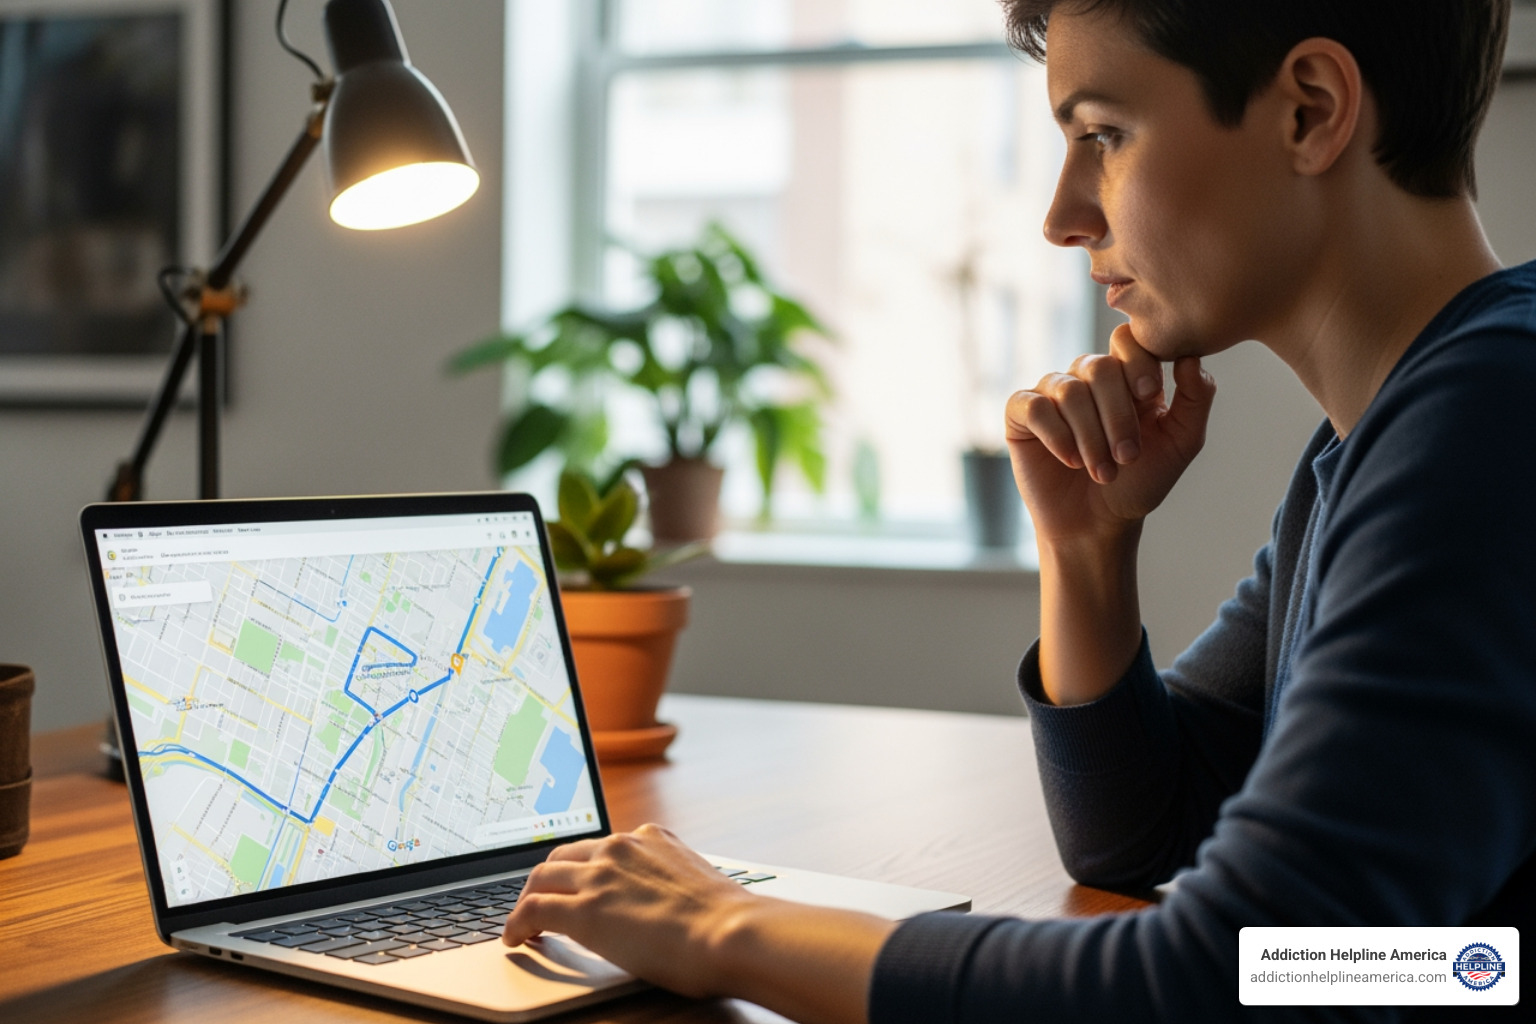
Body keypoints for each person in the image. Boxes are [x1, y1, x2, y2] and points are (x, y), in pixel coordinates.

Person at [499, 1, 1536, 1020]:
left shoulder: (1489, 421)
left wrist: (724, 929)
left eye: (1103, 135)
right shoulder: (1380, 440)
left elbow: (1214, 981)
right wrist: (1085, 548)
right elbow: (1146, 833)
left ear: (1310, 110)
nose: (1063, 215)